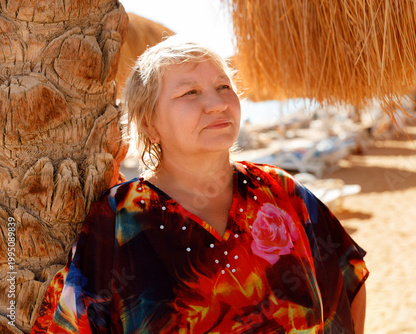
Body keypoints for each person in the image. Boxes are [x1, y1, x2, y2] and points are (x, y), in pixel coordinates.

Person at [31, 37, 368, 334]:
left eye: (224, 86)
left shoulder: (280, 190)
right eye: (190, 92)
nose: (218, 102)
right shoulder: (120, 219)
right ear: (149, 122)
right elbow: (74, 324)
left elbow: (348, 276)